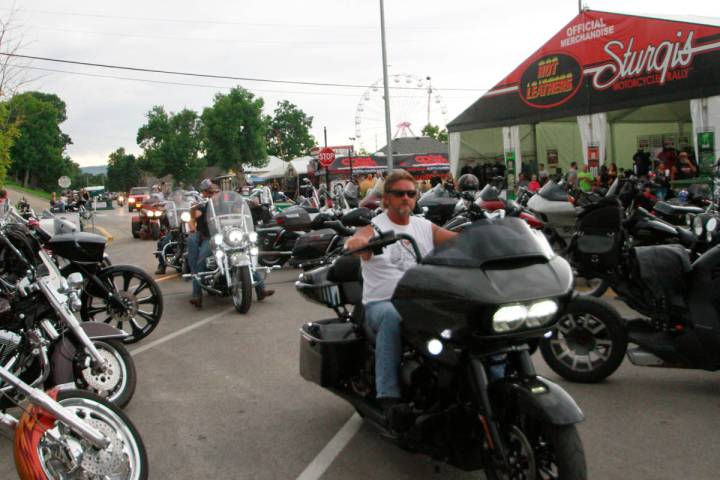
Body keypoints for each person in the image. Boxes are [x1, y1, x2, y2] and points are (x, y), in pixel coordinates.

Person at [345, 169, 457, 430]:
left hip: (422, 302)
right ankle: (389, 395)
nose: (405, 198)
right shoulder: (376, 227)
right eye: (398, 194)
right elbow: (359, 238)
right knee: (393, 318)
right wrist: (357, 244)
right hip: (382, 304)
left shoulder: (424, 226)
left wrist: (488, 237)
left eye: (410, 193)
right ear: (386, 199)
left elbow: (459, 241)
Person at [187, 179, 274, 308]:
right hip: (211, 238)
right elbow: (193, 215)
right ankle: (196, 295)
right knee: (201, 261)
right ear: (207, 195)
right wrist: (193, 207)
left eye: (217, 193)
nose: (215, 195)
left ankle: (260, 290)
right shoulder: (204, 206)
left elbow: (241, 211)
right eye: (212, 193)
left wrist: (253, 204)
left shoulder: (228, 206)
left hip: (231, 237)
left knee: (247, 259)